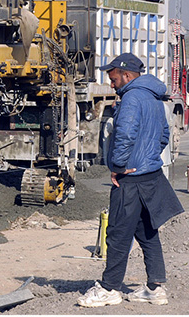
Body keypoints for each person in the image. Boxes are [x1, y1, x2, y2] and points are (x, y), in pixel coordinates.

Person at [77, 53, 184, 308]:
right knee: (147, 231)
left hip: (131, 178)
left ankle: (109, 288)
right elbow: (164, 135)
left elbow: (124, 134)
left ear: (126, 75)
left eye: (113, 79)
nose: (111, 84)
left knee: (117, 233)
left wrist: (118, 167)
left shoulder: (132, 98)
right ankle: (155, 288)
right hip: (150, 175)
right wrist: (147, 158)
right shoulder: (154, 98)